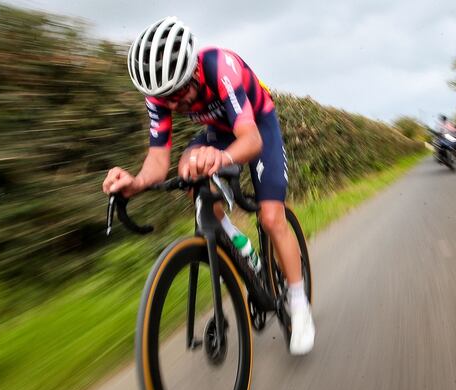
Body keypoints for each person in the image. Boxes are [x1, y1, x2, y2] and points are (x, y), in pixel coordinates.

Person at [102, 16, 314, 354]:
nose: (173, 104)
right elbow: (158, 161)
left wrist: (222, 159)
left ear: (193, 72)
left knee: (272, 218)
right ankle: (234, 239)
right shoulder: (160, 96)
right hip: (218, 132)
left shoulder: (221, 67)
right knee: (188, 169)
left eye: (179, 92)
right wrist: (135, 182)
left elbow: (250, 140)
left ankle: (300, 304)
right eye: (163, 97)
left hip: (257, 126)